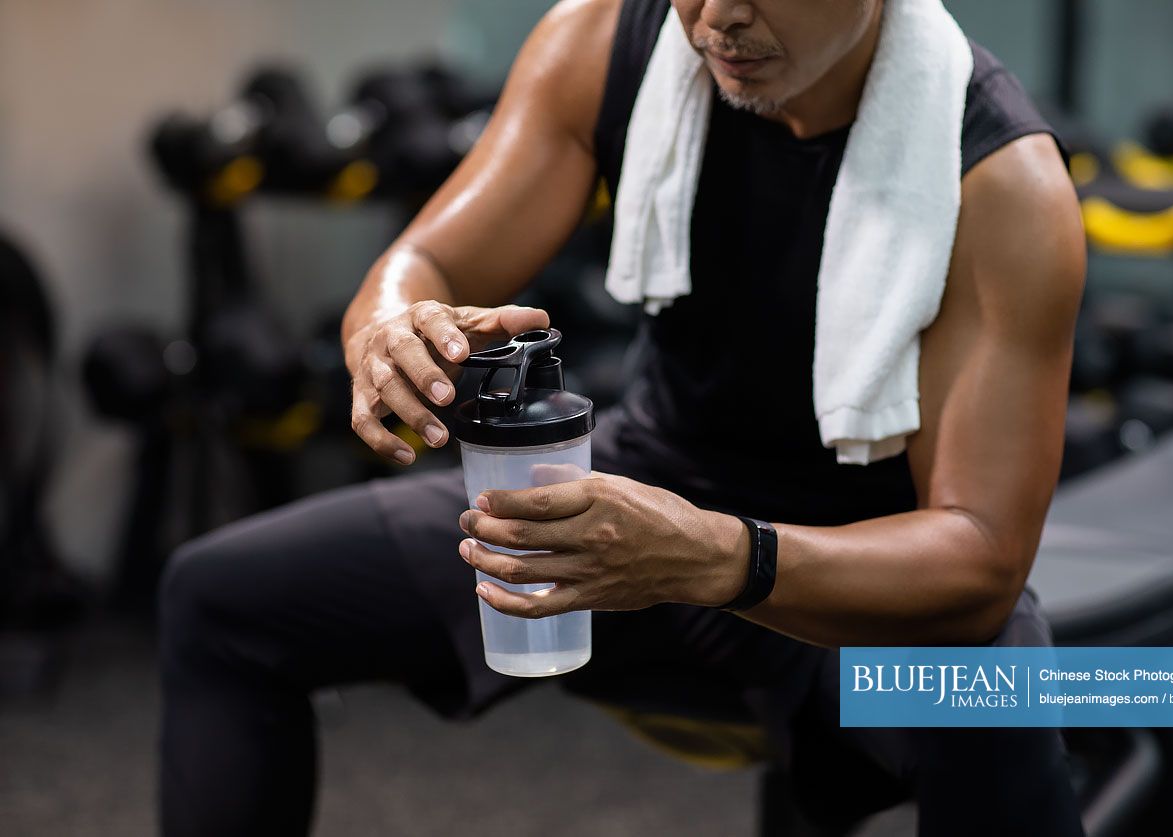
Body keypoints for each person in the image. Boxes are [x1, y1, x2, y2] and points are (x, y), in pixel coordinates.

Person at [158, 0, 1087, 834]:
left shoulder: (1003, 184)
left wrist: (722, 554)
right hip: (640, 494)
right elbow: (426, 263)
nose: (717, 17)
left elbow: (978, 558)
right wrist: (394, 328)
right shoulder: (603, 44)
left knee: (995, 697)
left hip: (856, 565)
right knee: (222, 598)